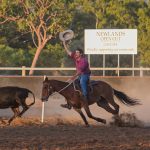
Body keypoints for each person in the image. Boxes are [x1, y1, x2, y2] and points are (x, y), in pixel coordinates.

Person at [61, 41, 91, 109]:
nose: (76, 53)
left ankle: (85, 97)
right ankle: (68, 103)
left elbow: (79, 72)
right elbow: (68, 52)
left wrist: (72, 78)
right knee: (72, 85)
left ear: (81, 54)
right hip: (80, 75)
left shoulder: (84, 61)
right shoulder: (76, 57)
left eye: (77, 52)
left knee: (82, 82)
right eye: (76, 52)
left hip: (85, 75)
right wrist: (64, 44)